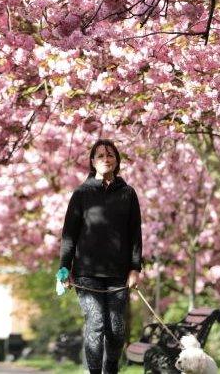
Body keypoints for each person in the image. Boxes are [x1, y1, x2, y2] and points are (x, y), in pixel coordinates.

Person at [58, 138, 143, 374]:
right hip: (86, 273)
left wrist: (135, 268)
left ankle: (110, 368)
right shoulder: (81, 193)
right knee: (95, 324)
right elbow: (69, 235)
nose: (106, 159)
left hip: (119, 274)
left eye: (110, 155)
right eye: (100, 156)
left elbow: (135, 233)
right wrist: (64, 269)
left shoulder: (128, 193)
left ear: (117, 161)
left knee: (116, 329)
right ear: (93, 162)